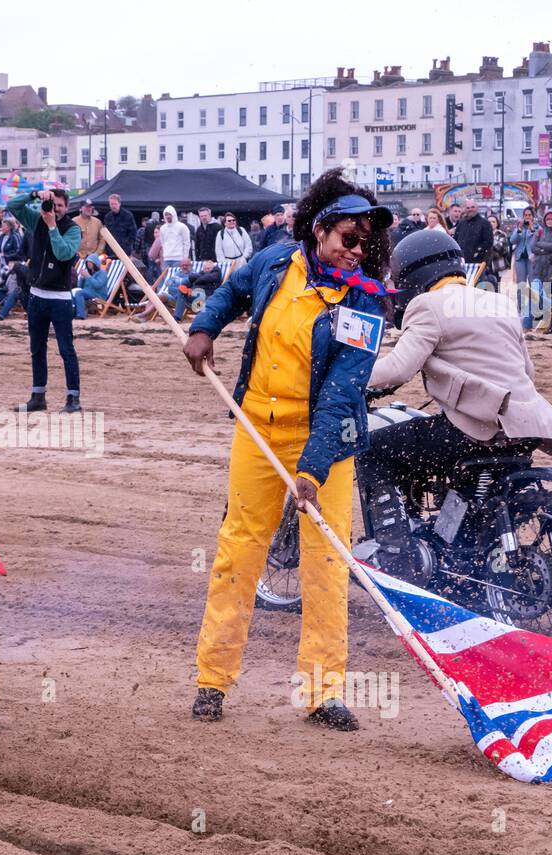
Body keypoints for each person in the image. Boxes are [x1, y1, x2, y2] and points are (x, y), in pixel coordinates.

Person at [183, 169, 395, 730]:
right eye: (349, 238)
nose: (358, 251)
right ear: (321, 230)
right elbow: (231, 292)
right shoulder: (276, 261)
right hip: (255, 429)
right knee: (239, 549)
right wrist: (205, 328)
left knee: (326, 561)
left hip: (323, 440)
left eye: (366, 243)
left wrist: (313, 469)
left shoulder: (364, 304)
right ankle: (212, 681)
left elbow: (343, 391)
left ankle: (323, 691)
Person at [364, 229, 552, 579]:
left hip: (473, 430)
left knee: (373, 449)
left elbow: (397, 369)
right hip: (525, 426)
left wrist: (349, 378)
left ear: (411, 274)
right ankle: (460, 562)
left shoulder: (427, 305)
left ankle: (395, 549)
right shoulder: (499, 302)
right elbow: (527, 370)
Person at [7, 187, 83, 413]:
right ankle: (38, 396)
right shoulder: (37, 220)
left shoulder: (72, 229)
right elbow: (13, 206)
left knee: (66, 349)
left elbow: (63, 254)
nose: (55, 209)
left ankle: (73, 399)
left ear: (67, 208)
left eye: (59, 206)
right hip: (37, 296)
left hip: (59, 298)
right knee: (37, 348)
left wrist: (52, 226)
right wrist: (34, 194)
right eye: (52, 204)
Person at [510, 207, 538, 327]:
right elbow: (512, 240)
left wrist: (532, 229)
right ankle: (521, 309)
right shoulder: (519, 227)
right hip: (520, 259)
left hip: (531, 259)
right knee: (521, 285)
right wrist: (519, 229)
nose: (527, 217)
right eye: (525, 215)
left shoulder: (537, 227)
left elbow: (537, 240)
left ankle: (533, 309)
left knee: (533, 284)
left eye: (529, 215)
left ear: (533, 216)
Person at [452, 199, 493, 265]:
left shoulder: (485, 223)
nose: (470, 209)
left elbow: (488, 242)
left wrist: (477, 252)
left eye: (472, 207)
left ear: (477, 208)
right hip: (461, 261)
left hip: (477, 262)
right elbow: (455, 240)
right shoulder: (461, 223)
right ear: (465, 209)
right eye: (468, 208)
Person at [155, 205, 191, 269]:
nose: (168, 216)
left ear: (174, 214)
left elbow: (186, 243)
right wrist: (164, 256)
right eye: (166, 215)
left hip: (179, 258)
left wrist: (185, 257)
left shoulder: (182, 227)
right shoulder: (162, 228)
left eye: (169, 214)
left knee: (177, 278)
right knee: (166, 278)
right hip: (166, 259)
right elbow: (163, 243)